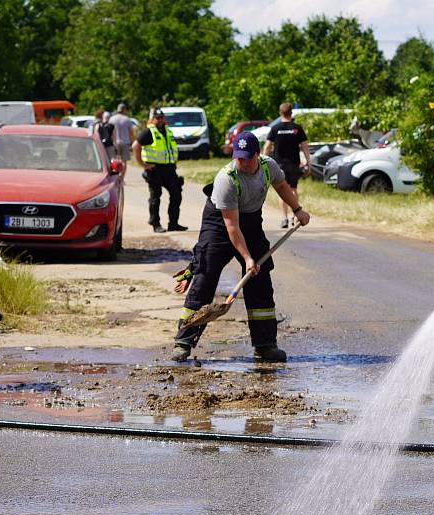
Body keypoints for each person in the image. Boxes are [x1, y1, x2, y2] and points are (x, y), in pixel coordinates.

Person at [171, 131, 310, 363]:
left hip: (251, 221)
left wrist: (298, 209)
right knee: (206, 275)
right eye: (239, 158)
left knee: (260, 279)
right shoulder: (226, 178)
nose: (243, 162)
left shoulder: (268, 166)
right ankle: (183, 342)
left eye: (247, 157)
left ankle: (265, 345)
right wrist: (247, 258)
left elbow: (282, 186)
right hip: (220, 223)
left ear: (258, 154)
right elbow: (231, 226)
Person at [132, 108, 187, 233]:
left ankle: (173, 223)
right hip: (155, 169)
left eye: (162, 117)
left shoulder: (168, 131)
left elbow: (171, 149)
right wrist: (143, 165)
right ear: (153, 119)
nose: (160, 120)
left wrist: (174, 163)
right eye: (158, 118)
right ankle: (155, 223)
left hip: (169, 169)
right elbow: (135, 146)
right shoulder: (148, 132)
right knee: (155, 197)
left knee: (176, 194)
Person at [263, 102, 311, 228]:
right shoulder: (297, 128)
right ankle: (295, 215)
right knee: (293, 189)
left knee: (282, 189)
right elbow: (305, 146)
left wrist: (263, 161)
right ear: (291, 113)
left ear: (280, 113)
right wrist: (308, 162)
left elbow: (267, 146)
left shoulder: (275, 128)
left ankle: (284, 218)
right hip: (294, 163)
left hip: (279, 165)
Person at [109, 103, 135, 175]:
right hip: (125, 143)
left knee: (115, 161)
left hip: (114, 143)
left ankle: (116, 177)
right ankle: (122, 178)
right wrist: (133, 143)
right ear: (124, 110)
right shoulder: (127, 119)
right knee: (124, 162)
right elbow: (131, 133)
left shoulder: (112, 119)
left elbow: (109, 132)